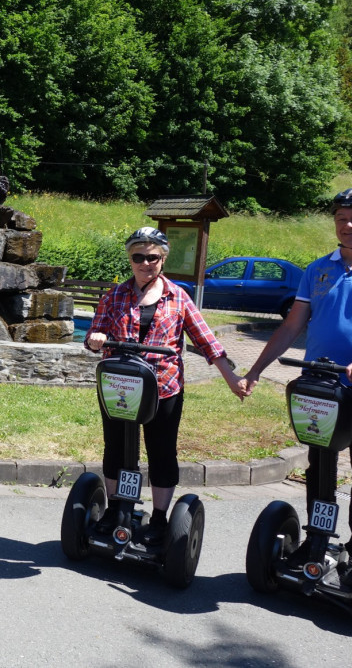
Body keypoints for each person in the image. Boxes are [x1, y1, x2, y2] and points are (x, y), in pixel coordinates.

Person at [238, 188, 352, 584]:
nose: (349, 226)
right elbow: (290, 326)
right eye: (342, 218)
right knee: (320, 466)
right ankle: (317, 539)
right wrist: (255, 370)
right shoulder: (318, 269)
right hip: (318, 385)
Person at [85, 227, 243, 542]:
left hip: (163, 386)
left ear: (163, 258)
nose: (146, 263)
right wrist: (95, 339)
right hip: (121, 386)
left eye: (153, 257)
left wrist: (232, 379)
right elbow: (94, 334)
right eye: (138, 257)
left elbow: (207, 341)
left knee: (161, 452)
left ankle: (158, 518)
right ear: (130, 259)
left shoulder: (178, 297)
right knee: (114, 448)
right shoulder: (115, 295)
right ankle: (117, 508)